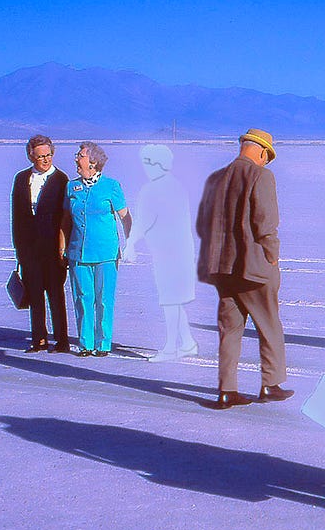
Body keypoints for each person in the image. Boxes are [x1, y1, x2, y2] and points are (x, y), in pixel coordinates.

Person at [196, 129, 293, 409]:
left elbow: (203, 224)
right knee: (270, 324)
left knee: (230, 329)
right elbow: (266, 223)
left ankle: (227, 390)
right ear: (262, 152)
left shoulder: (216, 178)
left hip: (222, 268)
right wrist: (272, 256)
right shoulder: (261, 176)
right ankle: (271, 384)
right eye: (267, 157)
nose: (266, 162)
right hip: (253, 268)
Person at [124, 144, 199, 361]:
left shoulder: (157, 189)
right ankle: (186, 342)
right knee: (174, 299)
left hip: (171, 254)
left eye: (148, 162)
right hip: (174, 252)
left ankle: (170, 347)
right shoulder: (172, 186)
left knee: (170, 300)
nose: (145, 167)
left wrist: (131, 243)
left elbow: (144, 221)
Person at [61, 142, 132, 357]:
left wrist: (131, 243)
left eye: (80, 156)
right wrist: (62, 247)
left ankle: (103, 343)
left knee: (103, 298)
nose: (76, 159)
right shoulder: (72, 187)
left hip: (106, 253)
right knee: (82, 297)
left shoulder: (111, 186)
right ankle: (86, 343)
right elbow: (65, 220)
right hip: (78, 253)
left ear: (93, 162)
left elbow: (125, 218)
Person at [11, 135, 70, 353]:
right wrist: (19, 247)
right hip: (29, 248)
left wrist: (63, 248)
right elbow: (16, 214)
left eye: (48, 155)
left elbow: (66, 217)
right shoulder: (21, 178)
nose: (45, 160)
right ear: (30, 156)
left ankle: (62, 340)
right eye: (40, 156)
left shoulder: (62, 180)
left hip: (54, 249)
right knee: (34, 294)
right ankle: (39, 339)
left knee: (56, 294)